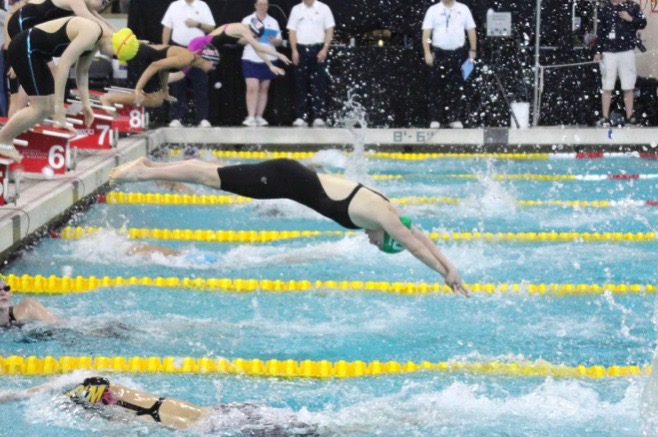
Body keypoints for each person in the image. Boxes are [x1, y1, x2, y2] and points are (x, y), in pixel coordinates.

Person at [109, 157, 470, 296]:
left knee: (213, 174)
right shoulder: (383, 217)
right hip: (284, 177)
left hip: (287, 177)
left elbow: (415, 233)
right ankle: (143, 172)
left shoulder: (387, 212)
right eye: (381, 244)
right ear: (389, 235)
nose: (374, 244)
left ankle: (153, 168)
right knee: (211, 176)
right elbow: (414, 243)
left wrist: (450, 265)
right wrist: (444, 273)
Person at [0, 18, 139, 162]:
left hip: (36, 53)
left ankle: (5, 139)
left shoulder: (97, 41)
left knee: (47, 108)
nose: (111, 56)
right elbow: (64, 66)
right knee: (39, 107)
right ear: (115, 44)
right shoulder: (91, 33)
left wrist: (86, 105)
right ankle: (3, 140)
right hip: (25, 47)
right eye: (115, 53)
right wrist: (59, 108)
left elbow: (82, 71)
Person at [0, 376, 321, 437]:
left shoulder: (113, 404)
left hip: (221, 425)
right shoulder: (119, 394)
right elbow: (62, 382)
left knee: (318, 428)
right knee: (317, 425)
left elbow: (61, 386)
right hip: (224, 414)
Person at [2, 0, 115, 119]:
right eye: (103, 1)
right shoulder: (77, 3)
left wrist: (121, 35)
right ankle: (20, 121)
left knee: (51, 77)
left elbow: (102, 21)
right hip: (21, 30)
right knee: (47, 77)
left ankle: (46, 117)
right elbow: (94, 21)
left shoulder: (85, 6)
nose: (103, 5)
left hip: (32, 37)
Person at [99, 42, 222, 109]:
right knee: (155, 100)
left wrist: (164, 91)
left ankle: (112, 98)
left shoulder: (189, 59)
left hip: (143, 55)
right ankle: (108, 99)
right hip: (141, 57)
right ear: (207, 60)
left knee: (157, 98)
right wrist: (138, 89)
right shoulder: (186, 59)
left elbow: (164, 69)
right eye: (214, 64)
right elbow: (155, 65)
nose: (213, 68)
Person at [421, 0, 477, 129]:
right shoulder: (433, 10)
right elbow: (426, 35)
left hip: (459, 53)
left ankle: (454, 117)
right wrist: (427, 52)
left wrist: (473, 49)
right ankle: (435, 118)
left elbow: (471, 31)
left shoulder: (464, 9)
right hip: (439, 54)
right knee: (436, 86)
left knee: (457, 87)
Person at [161, 0, 216, 128]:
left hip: (198, 51)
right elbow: (167, 28)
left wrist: (197, 24)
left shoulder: (202, 6)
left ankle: (202, 118)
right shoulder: (175, 6)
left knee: (201, 85)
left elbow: (211, 28)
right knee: (177, 86)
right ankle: (176, 118)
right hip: (179, 49)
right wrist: (164, 49)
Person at [594, 0, 647, 127]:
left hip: (626, 51)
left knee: (628, 85)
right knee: (607, 86)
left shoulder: (632, 6)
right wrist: (598, 51)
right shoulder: (605, 8)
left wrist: (631, 19)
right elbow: (601, 31)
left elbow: (643, 23)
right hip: (608, 52)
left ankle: (630, 116)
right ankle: (605, 117)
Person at [287, 0, 335, 127]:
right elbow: (292, 31)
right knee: (300, 83)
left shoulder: (324, 8)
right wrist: (294, 50)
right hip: (301, 49)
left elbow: (329, 30)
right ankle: (300, 116)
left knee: (319, 83)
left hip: (318, 48)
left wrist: (325, 49)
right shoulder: (296, 9)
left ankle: (318, 116)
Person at [241, 0, 284, 127]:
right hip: (250, 57)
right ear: (255, 5)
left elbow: (280, 42)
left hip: (269, 57)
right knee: (252, 87)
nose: (262, 7)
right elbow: (240, 41)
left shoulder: (273, 21)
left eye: (265, 4)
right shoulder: (247, 20)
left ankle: (259, 116)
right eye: (260, 4)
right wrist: (252, 38)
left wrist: (274, 41)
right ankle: (250, 116)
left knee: (264, 88)